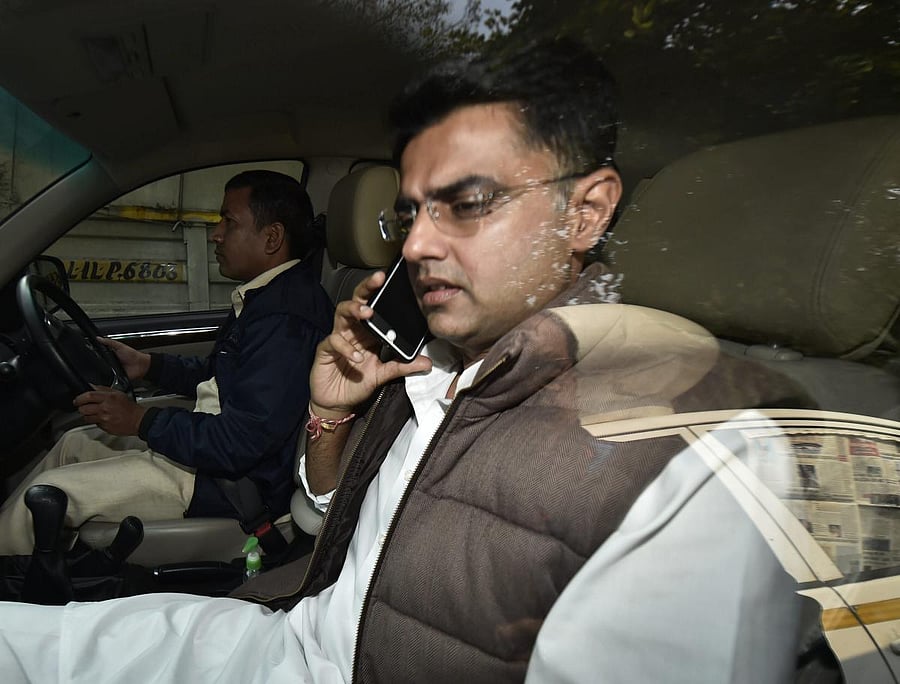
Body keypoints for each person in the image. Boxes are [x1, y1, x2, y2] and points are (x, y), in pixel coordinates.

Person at [0, 40, 810, 682]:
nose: (418, 244)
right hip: (287, 638)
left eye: (468, 203)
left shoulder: (699, 450)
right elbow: (322, 522)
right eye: (411, 213)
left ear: (586, 211)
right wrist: (330, 416)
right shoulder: (424, 358)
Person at [0, 170, 334, 555]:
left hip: (231, 483)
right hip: (210, 453)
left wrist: (141, 421)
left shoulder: (286, 318)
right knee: (72, 442)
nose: (216, 234)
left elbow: (244, 441)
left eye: (229, 221)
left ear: (272, 238)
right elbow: (222, 377)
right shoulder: (266, 297)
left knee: (46, 492)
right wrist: (148, 366)